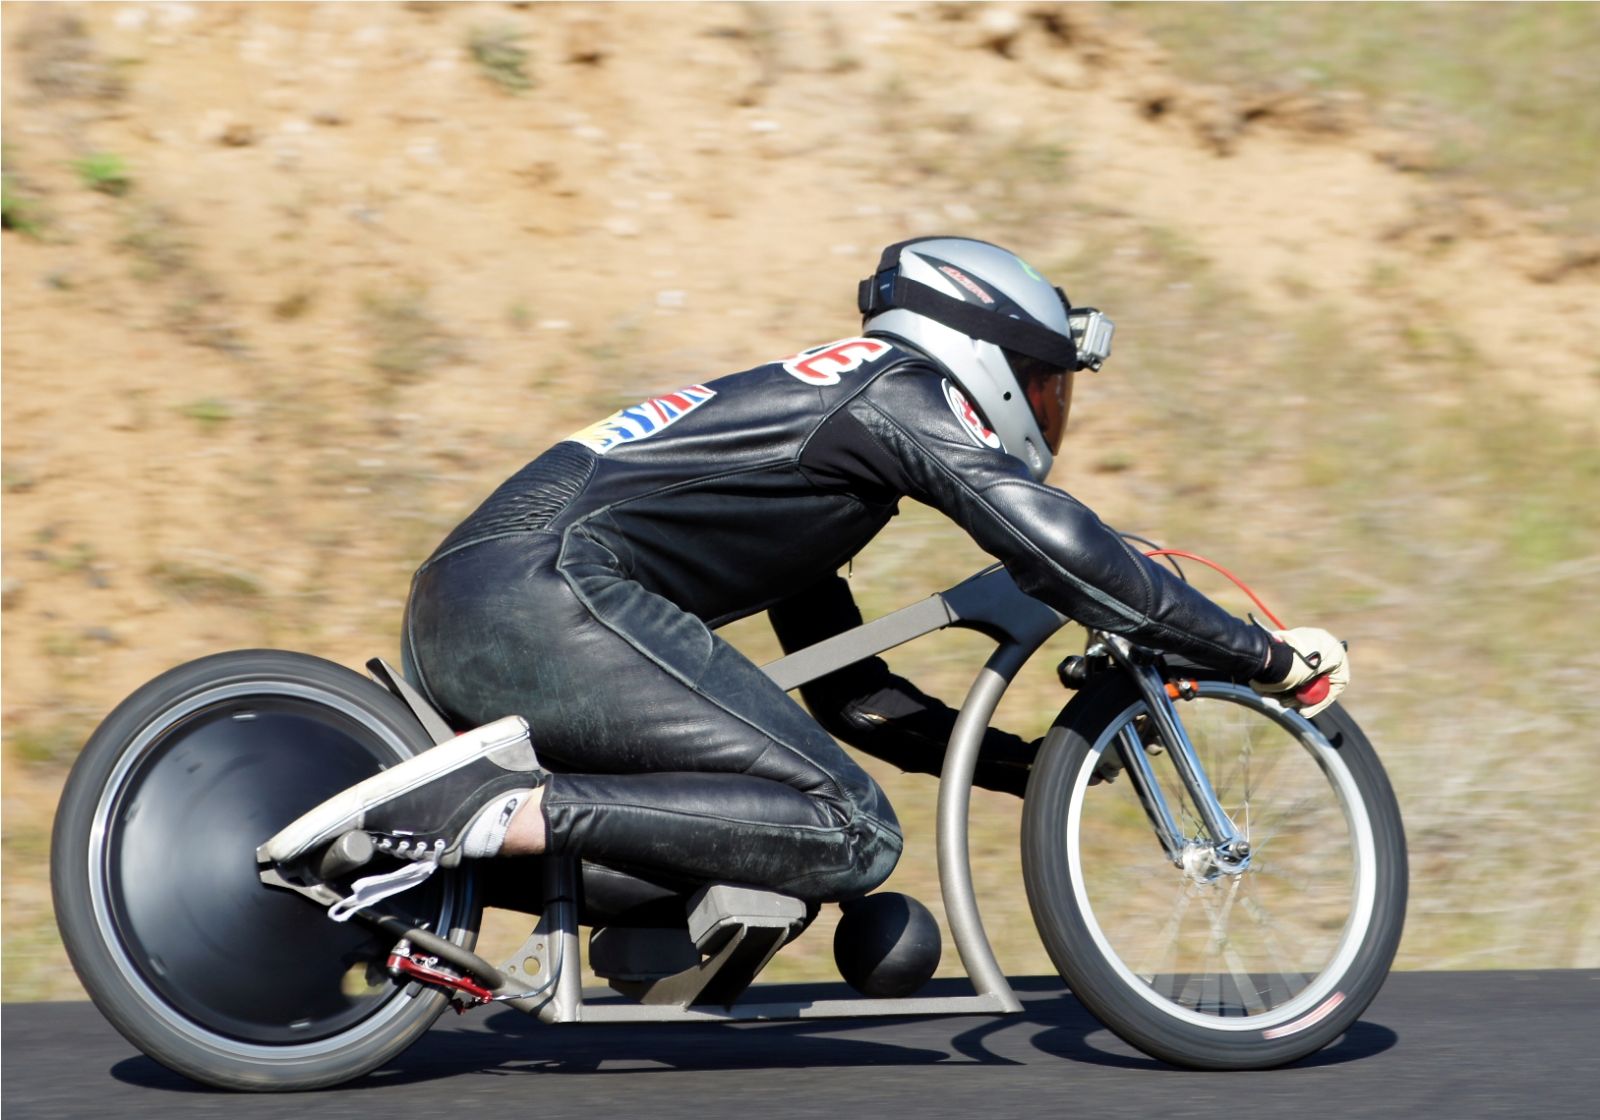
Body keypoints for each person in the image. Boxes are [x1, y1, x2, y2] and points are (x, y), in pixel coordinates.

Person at [263, 236, 1348, 911]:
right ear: (985, 351)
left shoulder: (814, 448)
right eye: (1044, 382)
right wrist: (1261, 655)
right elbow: (1058, 543)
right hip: (546, 592)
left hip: (480, 594)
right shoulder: (895, 389)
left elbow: (850, 697)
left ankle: (413, 862)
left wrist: (1030, 769)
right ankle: (486, 809)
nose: (1046, 411)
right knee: (851, 828)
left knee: (722, 839)